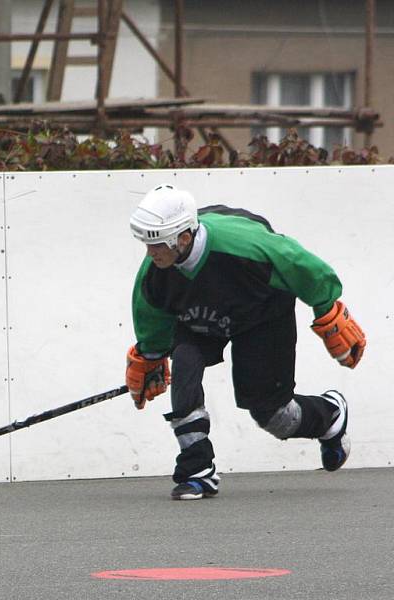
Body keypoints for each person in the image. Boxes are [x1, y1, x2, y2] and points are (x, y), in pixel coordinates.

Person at [125, 184, 366, 500]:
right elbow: (152, 314)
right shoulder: (156, 271)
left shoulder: (245, 247)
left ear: (183, 237)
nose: (150, 252)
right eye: (146, 243)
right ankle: (197, 470)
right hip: (202, 316)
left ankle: (330, 414)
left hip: (261, 313)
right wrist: (151, 354)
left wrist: (327, 309)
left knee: (275, 417)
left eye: (157, 244)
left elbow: (301, 265)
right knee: (184, 367)